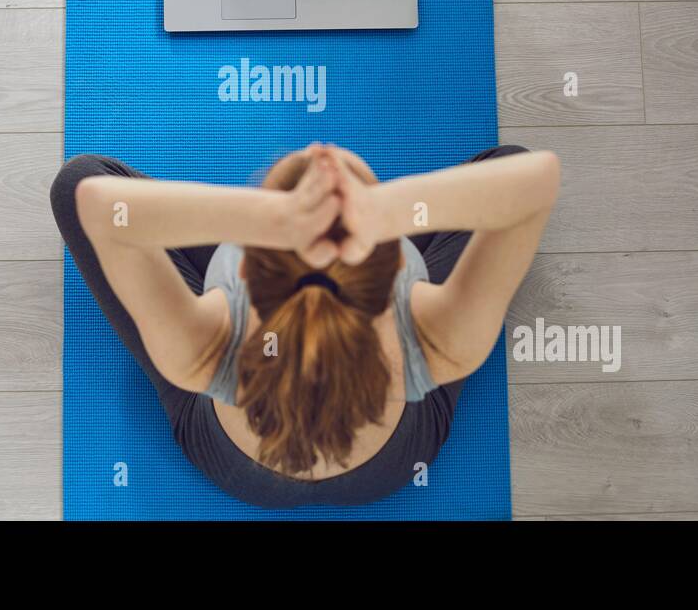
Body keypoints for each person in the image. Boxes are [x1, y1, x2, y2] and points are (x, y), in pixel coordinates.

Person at [50, 142, 560, 508]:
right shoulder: (430, 334)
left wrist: (273, 219)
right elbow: (529, 176)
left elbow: (88, 196)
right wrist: (378, 213)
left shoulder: (212, 342)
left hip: (239, 473)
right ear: (394, 265)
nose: (321, 149)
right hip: (389, 469)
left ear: (244, 266)